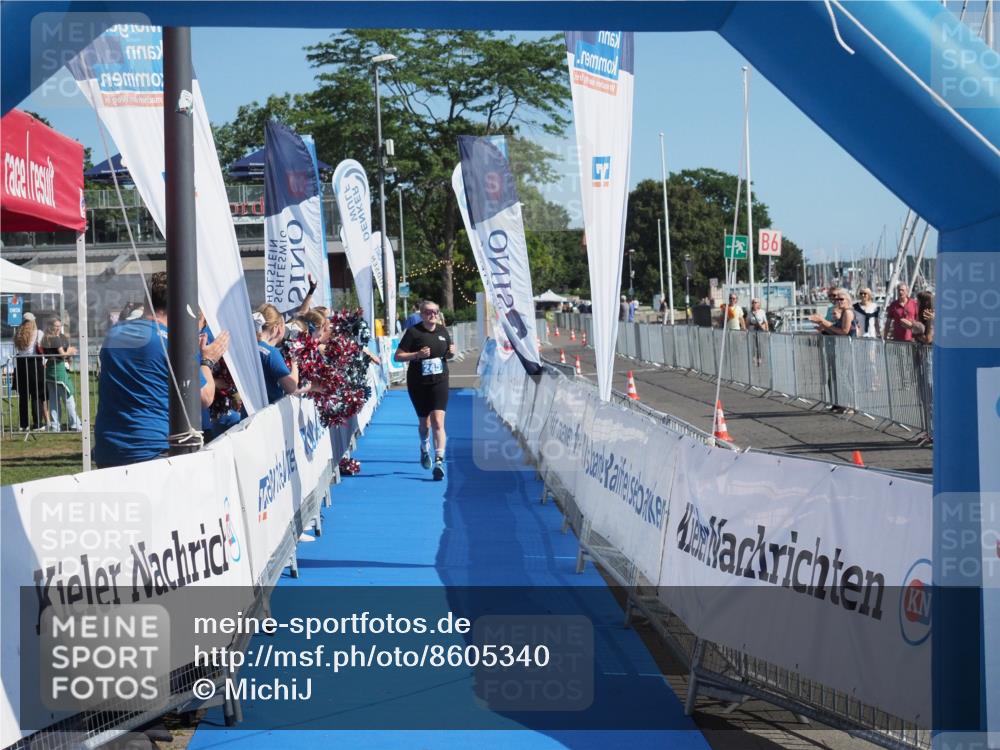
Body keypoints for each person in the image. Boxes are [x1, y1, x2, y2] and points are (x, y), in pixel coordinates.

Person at [94, 272, 230, 468]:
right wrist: (208, 360)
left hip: (109, 450)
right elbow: (204, 397)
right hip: (154, 451)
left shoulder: (113, 335)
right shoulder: (174, 344)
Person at [393, 299, 455, 480]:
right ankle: (424, 445)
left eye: (435, 311)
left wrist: (451, 353)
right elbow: (397, 357)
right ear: (421, 314)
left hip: (440, 381)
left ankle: (439, 461)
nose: (433, 314)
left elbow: (448, 354)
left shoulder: (443, 331)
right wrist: (416, 355)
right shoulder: (413, 332)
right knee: (424, 424)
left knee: (438, 422)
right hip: (418, 383)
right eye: (428, 312)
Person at [809, 288, 857, 413]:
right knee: (839, 375)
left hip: (846, 347)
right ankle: (842, 403)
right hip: (840, 347)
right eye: (836, 299)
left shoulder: (847, 312)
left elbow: (844, 331)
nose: (838, 301)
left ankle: (853, 404)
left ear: (848, 300)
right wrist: (823, 327)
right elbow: (836, 330)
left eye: (841, 299)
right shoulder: (841, 312)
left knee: (843, 375)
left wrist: (823, 321)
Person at [41, 317, 83, 431]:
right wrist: (70, 351)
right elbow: (63, 354)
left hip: (50, 370)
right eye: (56, 326)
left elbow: (65, 350)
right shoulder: (54, 339)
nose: (58, 328)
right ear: (51, 327)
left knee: (54, 400)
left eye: (60, 326)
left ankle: (55, 426)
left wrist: (69, 352)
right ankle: (75, 424)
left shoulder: (46, 338)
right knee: (68, 398)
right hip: (57, 370)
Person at [254, 303, 300, 404]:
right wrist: (295, 363)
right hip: (264, 412)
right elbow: (291, 387)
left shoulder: (251, 347)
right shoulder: (271, 353)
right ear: (277, 328)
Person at [12, 313, 47, 431]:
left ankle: (23, 424)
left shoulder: (18, 334)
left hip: (21, 364)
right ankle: (37, 423)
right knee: (36, 394)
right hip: (34, 364)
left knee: (23, 396)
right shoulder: (39, 333)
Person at [747, 298, 768, 365]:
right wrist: (747, 330)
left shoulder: (762, 312)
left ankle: (759, 358)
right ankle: (753, 357)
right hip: (752, 330)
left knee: (759, 344)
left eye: (755, 302)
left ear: (759, 304)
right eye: (753, 302)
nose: (754, 304)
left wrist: (767, 330)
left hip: (760, 329)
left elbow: (765, 322)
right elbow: (747, 322)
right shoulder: (750, 313)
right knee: (753, 344)